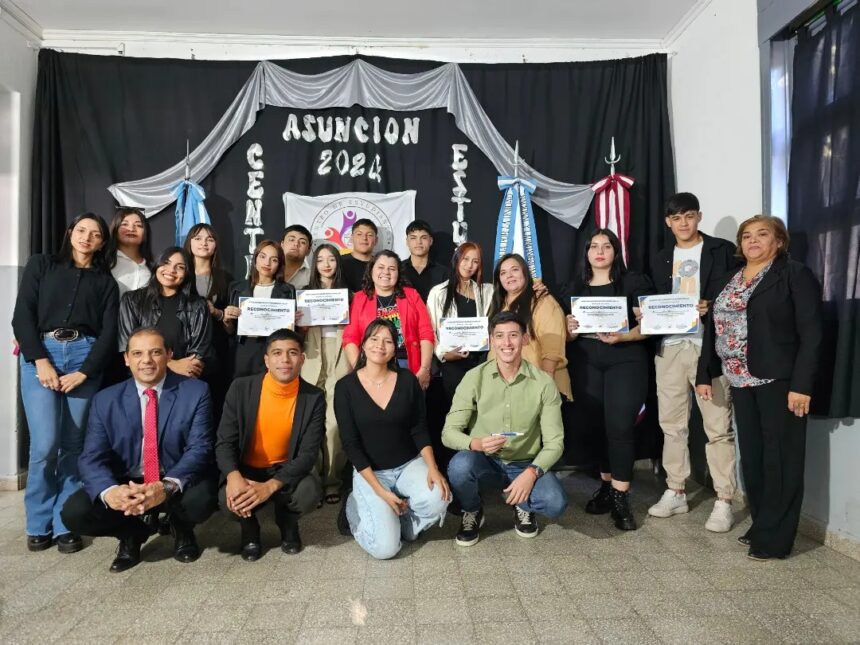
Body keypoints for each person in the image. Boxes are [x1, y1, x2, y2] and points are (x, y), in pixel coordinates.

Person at [696, 215, 822, 561]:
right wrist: (704, 373)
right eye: (746, 236)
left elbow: (812, 333)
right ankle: (763, 523)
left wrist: (801, 385)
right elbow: (714, 328)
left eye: (761, 235)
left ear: (778, 242)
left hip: (779, 381)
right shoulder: (729, 278)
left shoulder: (794, 275)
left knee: (781, 458)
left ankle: (777, 539)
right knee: (753, 458)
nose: (752, 241)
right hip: (739, 379)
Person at [61, 327, 216, 572]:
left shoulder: (196, 392)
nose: (146, 361)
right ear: (126, 358)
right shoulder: (105, 399)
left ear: (168, 355)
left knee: (201, 499)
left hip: (173, 474)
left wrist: (165, 487)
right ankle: (132, 532)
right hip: (128, 479)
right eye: (137, 353)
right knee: (75, 513)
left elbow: (200, 448)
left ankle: (181, 527)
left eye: (155, 352)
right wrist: (111, 491)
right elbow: (91, 457)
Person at [12, 212, 119, 554]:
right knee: (44, 445)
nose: (87, 237)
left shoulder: (105, 282)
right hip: (41, 355)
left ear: (103, 242)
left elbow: (108, 333)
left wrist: (85, 371)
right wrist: (40, 360)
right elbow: (22, 316)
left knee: (74, 446)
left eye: (96, 233)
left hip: (84, 358)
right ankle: (37, 522)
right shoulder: (41, 265)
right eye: (81, 230)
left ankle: (64, 523)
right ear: (70, 232)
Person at [646, 193, 741, 533]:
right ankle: (676, 489)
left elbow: (736, 295)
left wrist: (711, 305)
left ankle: (724, 499)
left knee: (717, 426)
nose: (683, 223)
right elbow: (656, 302)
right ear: (668, 222)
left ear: (699, 217)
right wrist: (647, 315)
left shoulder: (722, 250)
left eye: (689, 216)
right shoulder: (659, 258)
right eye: (676, 217)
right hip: (670, 348)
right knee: (671, 424)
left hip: (708, 346)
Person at [443, 311, 566, 545]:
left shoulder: (543, 383)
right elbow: (448, 433)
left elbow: (555, 442)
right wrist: (475, 443)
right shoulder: (473, 377)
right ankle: (472, 510)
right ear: (491, 341)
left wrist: (532, 473)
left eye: (513, 335)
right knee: (460, 466)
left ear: (525, 339)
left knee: (555, 503)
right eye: (499, 336)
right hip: (485, 459)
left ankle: (522, 504)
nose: (506, 343)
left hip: (524, 462)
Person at [335, 319, 450, 559]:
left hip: (408, 464)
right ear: (364, 345)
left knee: (439, 496)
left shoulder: (408, 380)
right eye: (374, 339)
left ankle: (406, 526)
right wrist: (380, 491)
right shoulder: (345, 387)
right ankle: (353, 508)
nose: (380, 345)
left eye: (388, 340)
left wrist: (433, 468)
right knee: (386, 550)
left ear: (394, 348)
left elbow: (419, 429)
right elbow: (350, 444)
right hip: (371, 473)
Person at [565, 229, 654, 531]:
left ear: (616, 252)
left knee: (619, 426)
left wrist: (624, 336)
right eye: (594, 246)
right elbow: (563, 334)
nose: (600, 251)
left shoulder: (633, 282)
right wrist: (570, 329)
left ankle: (621, 496)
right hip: (586, 363)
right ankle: (606, 485)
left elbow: (651, 325)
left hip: (626, 360)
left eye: (607, 246)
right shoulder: (573, 287)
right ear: (586, 252)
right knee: (596, 427)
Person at [215, 329, 325, 560]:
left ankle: (287, 523)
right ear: (266, 359)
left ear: (302, 359)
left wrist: (270, 486)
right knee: (229, 498)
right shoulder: (240, 388)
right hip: (247, 468)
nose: (285, 360)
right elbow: (224, 442)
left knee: (308, 492)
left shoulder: (314, 397)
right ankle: (250, 529)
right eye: (277, 353)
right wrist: (234, 478)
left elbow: (307, 454)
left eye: (292, 353)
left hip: (285, 468)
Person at [298, 243, 351, 505]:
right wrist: (298, 322)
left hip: (340, 356)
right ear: (314, 264)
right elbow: (294, 333)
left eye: (332, 259)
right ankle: (312, 481)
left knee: (334, 421)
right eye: (321, 260)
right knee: (310, 421)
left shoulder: (349, 295)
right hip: (311, 357)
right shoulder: (304, 294)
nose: (327, 264)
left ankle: (332, 480)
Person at [342, 250, 435, 390]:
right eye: (380, 267)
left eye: (392, 269)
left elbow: (426, 333)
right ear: (371, 270)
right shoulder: (359, 299)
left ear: (398, 273)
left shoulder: (412, 295)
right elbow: (350, 338)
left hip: (408, 365)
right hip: (372, 365)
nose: (386, 272)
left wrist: (425, 369)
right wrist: (360, 370)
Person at [118, 247, 213, 379]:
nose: (171, 270)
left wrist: (185, 368)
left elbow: (198, 355)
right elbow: (128, 347)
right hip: (141, 379)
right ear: (157, 265)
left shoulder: (198, 305)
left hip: (183, 381)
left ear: (187, 273)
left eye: (180, 267)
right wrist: (171, 364)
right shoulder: (131, 300)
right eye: (166, 263)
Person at [488, 253, 572, 400]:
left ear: (525, 272)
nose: (509, 275)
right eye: (503, 273)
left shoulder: (543, 301)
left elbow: (552, 350)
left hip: (537, 387)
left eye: (514, 270)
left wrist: (545, 389)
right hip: (504, 390)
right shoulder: (497, 306)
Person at [427, 241, 494, 399]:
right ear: (456, 259)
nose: (469, 265)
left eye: (475, 261)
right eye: (465, 259)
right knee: (458, 412)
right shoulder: (438, 293)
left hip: (481, 362)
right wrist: (444, 354)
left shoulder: (488, 291)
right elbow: (430, 330)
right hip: (453, 364)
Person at [223, 239, 296, 377]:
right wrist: (227, 320)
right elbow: (230, 331)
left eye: (273, 260)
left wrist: (294, 320)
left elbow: (291, 331)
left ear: (279, 264)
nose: (267, 263)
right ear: (255, 259)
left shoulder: (288, 290)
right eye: (262, 257)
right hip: (245, 349)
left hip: (275, 349)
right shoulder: (237, 288)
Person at [184, 223, 233, 421]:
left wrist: (217, 313)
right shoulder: (178, 274)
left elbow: (231, 329)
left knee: (212, 411)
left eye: (209, 239)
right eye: (198, 238)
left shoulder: (226, 279)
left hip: (215, 356)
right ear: (189, 243)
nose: (203, 243)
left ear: (215, 246)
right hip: (182, 354)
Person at [105, 207, 153, 297]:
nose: (131, 229)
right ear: (115, 230)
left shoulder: (153, 268)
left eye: (138, 225)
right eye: (125, 224)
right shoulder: (104, 262)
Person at [401, 219, 450, 302]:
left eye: (423, 238)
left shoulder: (443, 273)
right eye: (413, 238)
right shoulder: (398, 269)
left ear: (430, 241)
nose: (418, 242)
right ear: (407, 242)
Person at [341, 218, 378, 292]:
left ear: (376, 240)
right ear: (351, 238)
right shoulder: (339, 262)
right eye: (359, 234)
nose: (364, 238)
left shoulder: (380, 265)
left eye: (369, 235)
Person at [281, 224, 312, 289]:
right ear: (282, 245)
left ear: (308, 250)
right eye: (291, 240)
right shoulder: (269, 270)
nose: (296, 244)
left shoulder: (313, 277)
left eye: (302, 242)